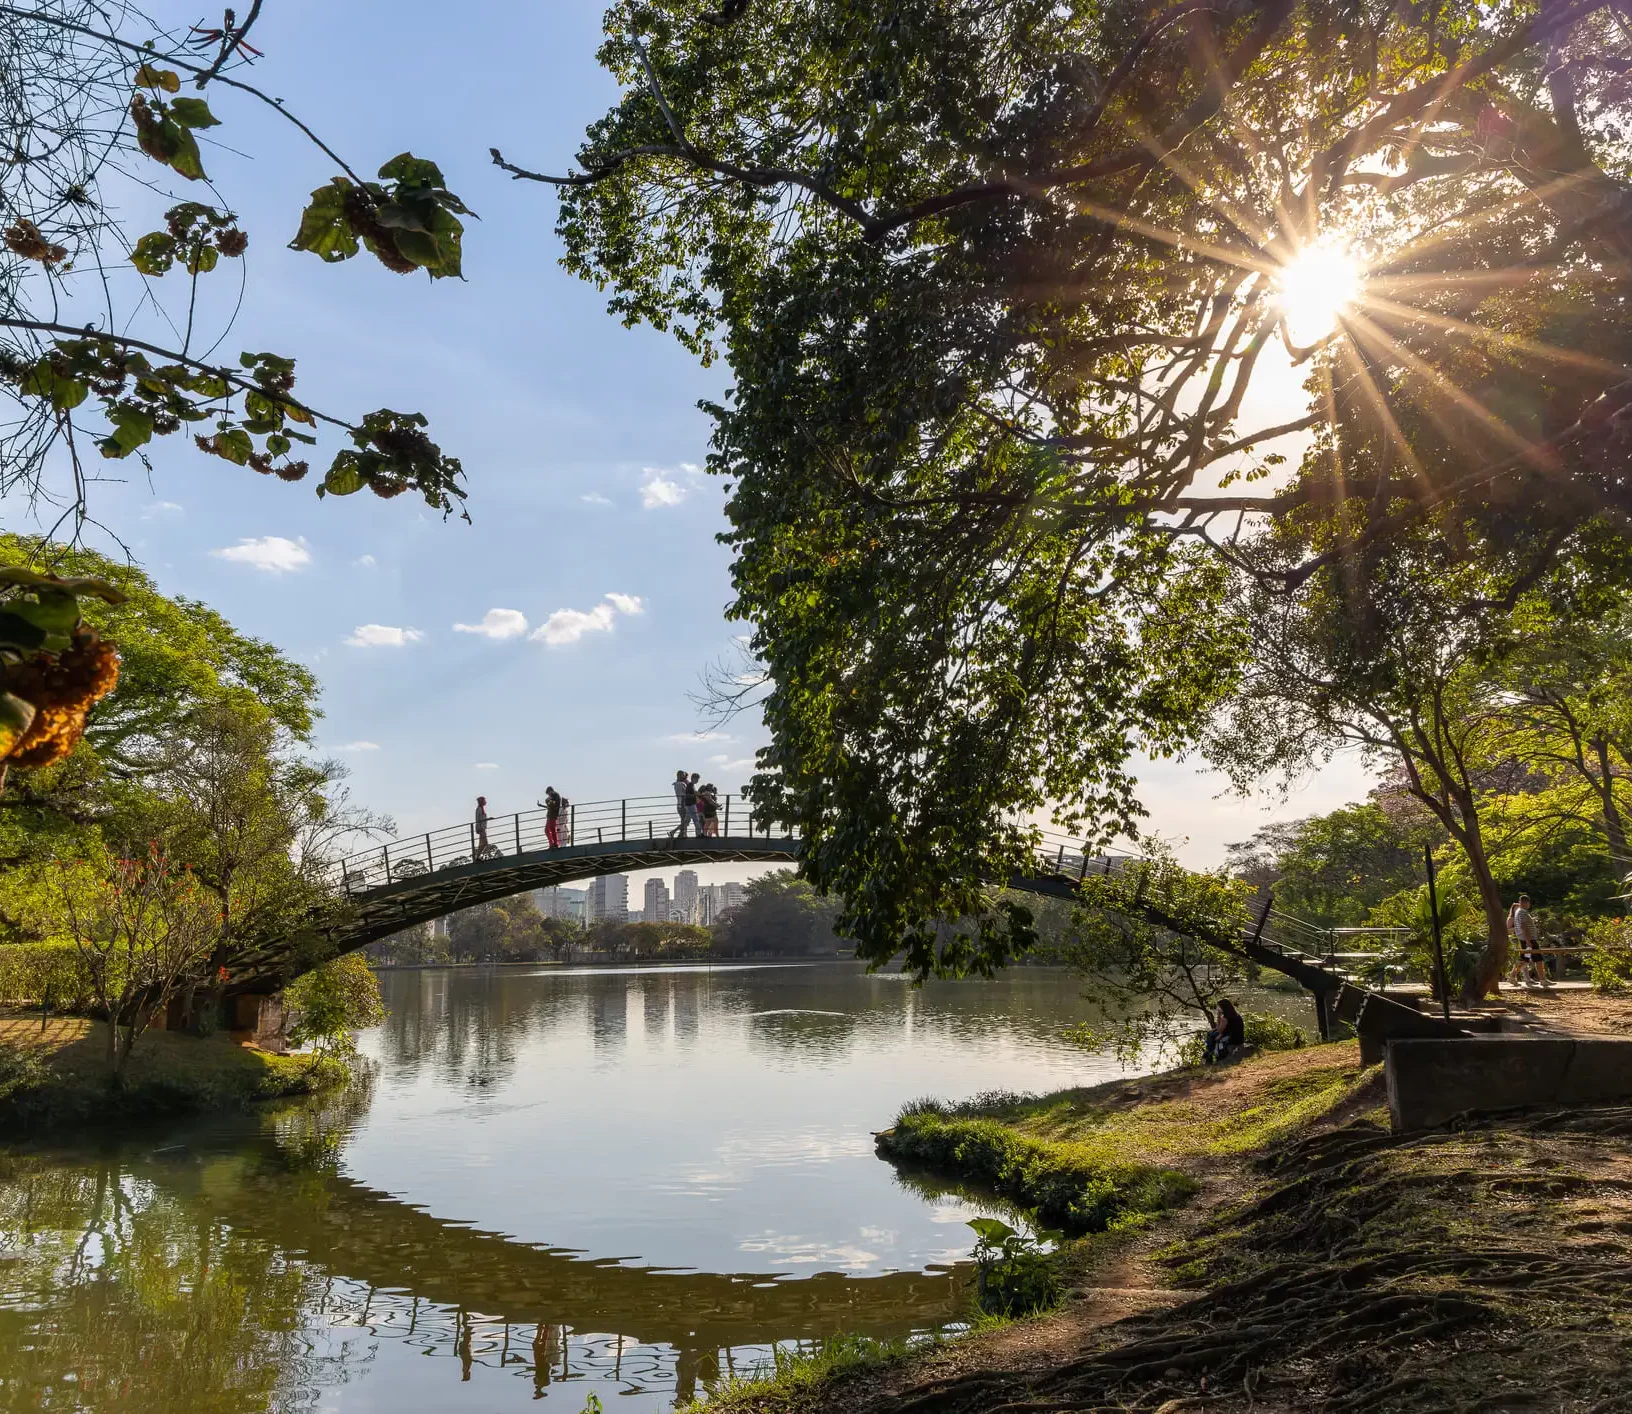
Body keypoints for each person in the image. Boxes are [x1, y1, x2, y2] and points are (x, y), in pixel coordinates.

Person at [1512, 894, 1548, 986]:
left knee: (1525, 959)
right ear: (1526, 902)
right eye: (1528, 903)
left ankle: (1512, 976)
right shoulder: (1522, 912)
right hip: (1528, 940)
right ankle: (1543, 980)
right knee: (1537, 959)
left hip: (1526, 939)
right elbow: (1524, 927)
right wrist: (1528, 941)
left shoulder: (1519, 911)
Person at [1204, 998, 1246, 1064]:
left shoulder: (1225, 1018)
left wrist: (1218, 1017)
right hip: (1239, 1038)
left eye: (1219, 1007)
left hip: (1232, 1039)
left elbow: (1219, 1029)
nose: (1218, 1008)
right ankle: (1209, 1053)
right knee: (1211, 1033)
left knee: (1211, 1035)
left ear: (1223, 1007)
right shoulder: (1236, 1015)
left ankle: (1209, 1054)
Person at [668, 769, 692, 838]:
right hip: (683, 805)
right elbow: (687, 792)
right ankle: (674, 831)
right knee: (686, 821)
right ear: (680, 775)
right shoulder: (681, 784)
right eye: (683, 776)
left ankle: (683, 834)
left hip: (680, 804)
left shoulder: (676, 784)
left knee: (684, 821)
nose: (684, 777)